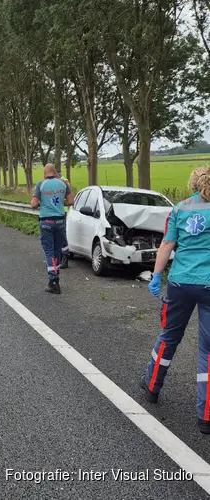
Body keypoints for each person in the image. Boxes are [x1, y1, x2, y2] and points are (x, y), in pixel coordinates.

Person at [140, 166, 210, 434]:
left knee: (169, 336)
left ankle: (152, 386)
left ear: (193, 182)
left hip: (180, 283)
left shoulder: (179, 209)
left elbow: (167, 245)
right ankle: (206, 415)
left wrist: (157, 276)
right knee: (208, 350)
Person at [31, 164, 73, 294]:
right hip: (60, 221)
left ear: (45, 173)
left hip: (46, 222)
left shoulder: (40, 185)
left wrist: (42, 203)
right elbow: (70, 201)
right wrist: (61, 202)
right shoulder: (63, 184)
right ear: (55, 173)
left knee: (49, 251)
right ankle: (55, 279)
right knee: (56, 251)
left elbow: (33, 204)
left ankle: (54, 281)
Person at [57, 171, 72, 269]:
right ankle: (59, 258)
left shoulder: (64, 182)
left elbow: (68, 198)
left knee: (61, 235)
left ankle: (64, 258)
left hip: (63, 211)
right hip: (58, 211)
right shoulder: (59, 181)